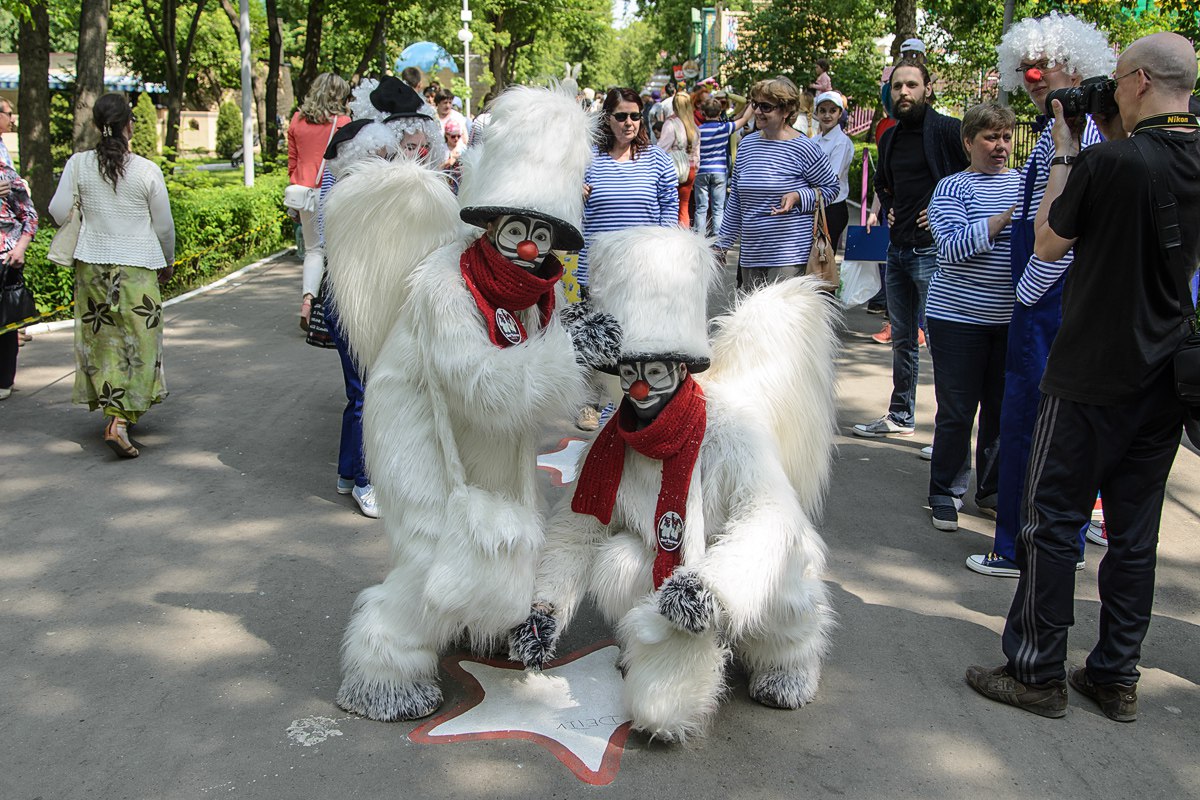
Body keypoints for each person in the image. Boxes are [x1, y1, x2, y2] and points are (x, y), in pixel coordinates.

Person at [325, 86, 616, 722]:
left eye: (542, 234)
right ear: (489, 225)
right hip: (420, 427)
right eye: (517, 231)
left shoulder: (540, 295)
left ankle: (478, 615)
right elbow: (483, 389)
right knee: (429, 546)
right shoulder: (446, 284)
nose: (530, 248)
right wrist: (571, 355)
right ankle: (383, 663)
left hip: (486, 435)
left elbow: (529, 382)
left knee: (502, 525)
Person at [511, 226, 837, 741]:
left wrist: (715, 588)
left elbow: (772, 519)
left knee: (786, 570)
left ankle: (788, 652)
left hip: (728, 578)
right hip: (668, 573)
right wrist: (545, 609)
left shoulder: (730, 428)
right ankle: (651, 637)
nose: (640, 388)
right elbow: (578, 529)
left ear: (684, 368)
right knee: (618, 562)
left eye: (658, 372)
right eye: (631, 371)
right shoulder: (613, 445)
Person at [966, 32, 1200, 723]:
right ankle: (1116, 674)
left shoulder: (1111, 161)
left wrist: (1069, 147)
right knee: (1135, 535)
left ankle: (1038, 671)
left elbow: (1046, 240)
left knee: (1053, 521)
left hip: (1091, 371)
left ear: (1134, 82)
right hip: (1170, 377)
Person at [967, 13, 1114, 577]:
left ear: (1077, 67)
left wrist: (1027, 291)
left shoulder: (1082, 139)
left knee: (1033, 420)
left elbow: (1064, 235)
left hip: (1050, 301)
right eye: (1023, 68)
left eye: (1042, 66)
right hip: (1045, 301)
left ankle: (1019, 547)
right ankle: (1050, 540)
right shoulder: (1060, 137)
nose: (1030, 77)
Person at [47, 93, 175, 458]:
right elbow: (164, 226)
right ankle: (120, 420)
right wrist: (168, 260)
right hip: (138, 268)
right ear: (129, 125)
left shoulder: (78, 164)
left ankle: (112, 411)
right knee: (141, 343)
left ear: (96, 126)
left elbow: (57, 212)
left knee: (102, 343)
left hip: (92, 266)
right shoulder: (147, 170)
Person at [852, 62, 968, 438]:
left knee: (942, 342)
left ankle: (949, 436)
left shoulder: (949, 130)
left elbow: (974, 177)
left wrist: (941, 208)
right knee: (903, 339)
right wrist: (890, 205)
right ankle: (900, 416)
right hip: (898, 250)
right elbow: (884, 183)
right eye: (898, 85)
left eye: (912, 85)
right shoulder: (890, 137)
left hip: (934, 253)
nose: (904, 92)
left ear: (927, 89)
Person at [923, 102, 1021, 532]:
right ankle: (945, 491)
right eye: (990, 138)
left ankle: (992, 491)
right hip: (956, 318)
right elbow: (951, 248)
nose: (1000, 146)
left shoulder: (1023, 183)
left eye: (1005, 137)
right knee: (958, 410)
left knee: (1000, 411)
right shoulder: (951, 188)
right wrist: (1003, 221)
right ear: (968, 142)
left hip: (1009, 319)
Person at [575, 87, 678, 431]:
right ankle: (590, 403)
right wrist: (573, 192)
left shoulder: (657, 159)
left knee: (633, 340)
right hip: (598, 267)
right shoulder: (587, 159)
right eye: (622, 116)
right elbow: (567, 209)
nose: (629, 122)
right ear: (608, 119)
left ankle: (627, 404)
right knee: (595, 338)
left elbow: (669, 210)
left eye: (636, 115)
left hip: (641, 270)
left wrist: (663, 254)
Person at [715, 76, 839, 293]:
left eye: (766, 106)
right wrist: (722, 244)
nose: (758, 111)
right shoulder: (747, 145)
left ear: (786, 111)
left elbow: (831, 188)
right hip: (752, 253)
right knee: (752, 320)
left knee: (780, 323)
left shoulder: (804, 148)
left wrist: (800, 196)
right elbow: (735, 200)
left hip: (789, 256)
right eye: (755, 105)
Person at [288, 73, 350, 331]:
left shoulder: (297, 118)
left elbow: (292, 159)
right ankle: (336, 306)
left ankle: (308, 300)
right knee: (335, 250)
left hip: (302, 191)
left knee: (313, 250)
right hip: (331, 192)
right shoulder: (343, 122)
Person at [0, 155, 37, 401]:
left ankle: (3, 380)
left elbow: (29, 216)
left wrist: (21, 247)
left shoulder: (6, 174)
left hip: (5, 259)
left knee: (4, 325)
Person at [693, 96, 752, 236]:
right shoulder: (724, 128)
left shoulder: (698, 130)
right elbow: (743, 120)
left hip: (701, 171)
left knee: (701, 207)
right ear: (720, 113)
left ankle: (699, 236)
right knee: (718, 208)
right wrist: (752, 105)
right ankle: (718, 236)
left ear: (703, 113)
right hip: (719, 171)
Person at [812, 91, 854, 253]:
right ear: (817, 113)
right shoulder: (814, 141)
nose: (827, 115)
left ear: (840, 113)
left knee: (824, 260)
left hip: (832, 208)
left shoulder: (842, 142)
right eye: (823, 110)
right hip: (814, 206)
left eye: (832, 110)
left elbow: (831, 178)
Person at [656, 93, 701, 227]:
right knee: (684, 206)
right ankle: (684, 235)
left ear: (674, 105)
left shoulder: (671, 124)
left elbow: (662, 148)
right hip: (690, 168)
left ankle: (672, 237)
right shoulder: (694, 126)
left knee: (671, 206)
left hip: (674, 169)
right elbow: (697, 152)